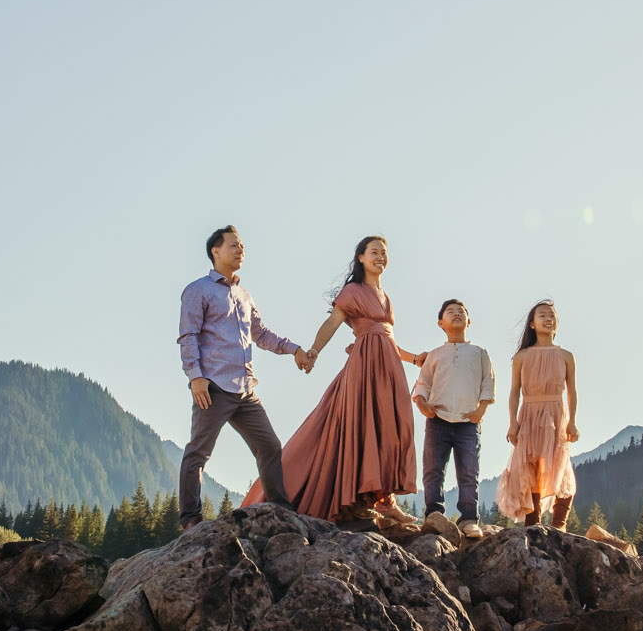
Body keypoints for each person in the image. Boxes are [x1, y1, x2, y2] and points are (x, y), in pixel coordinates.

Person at [244, 234, 423, 530]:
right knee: (364, 425)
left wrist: (414, 359)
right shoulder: (354, 290)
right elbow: (333, 322)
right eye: (374, 252)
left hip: (389, 367)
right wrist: (314, 350)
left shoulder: (386, 297)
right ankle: (360, 500)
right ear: (361, 258)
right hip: (365, 366)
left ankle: (385, 500)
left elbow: (388, 339)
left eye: (384, 252)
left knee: (392, 428)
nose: (381, 256)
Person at [177, 225, 316, 530]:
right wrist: (195, 377)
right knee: (198, 452)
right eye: (234, 245)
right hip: (212, 386)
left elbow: (261, 334)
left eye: (242, 246)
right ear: (216, 251)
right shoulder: (198, 290)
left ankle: (281, 509)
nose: (241, 250)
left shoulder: (243, 294)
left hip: (245, 389)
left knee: (269, 445)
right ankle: (190, 519)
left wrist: (294, 349)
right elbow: (188, 336)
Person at [413, 298, 494, 539]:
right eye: (450, 312)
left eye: (461, 311)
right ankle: (434, 515)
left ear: (468, 320)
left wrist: (482, 409)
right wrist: (422, 404)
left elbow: (488, 383)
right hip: (437, 419)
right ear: (441, 323)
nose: (456, 314)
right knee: (432, 471)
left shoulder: (480, 353)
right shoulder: (435, 355)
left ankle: (468, 519)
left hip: (469, 422)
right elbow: (423, 384)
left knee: (469, 473)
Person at [499, 299, 580, 529]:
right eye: (542, 315)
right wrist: (512, 422)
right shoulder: (522, 357)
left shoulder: (566, 356)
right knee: (530, 466)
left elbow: (572, 391)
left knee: (560, 463)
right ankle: (532, 521)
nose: (548, 319)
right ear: (532, 324)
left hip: (556, 413)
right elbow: (514, 391)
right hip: (530, 413)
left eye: (552, 315)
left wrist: (572, 422)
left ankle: (559, 523)